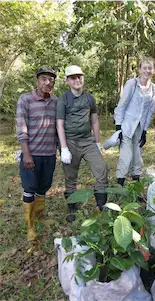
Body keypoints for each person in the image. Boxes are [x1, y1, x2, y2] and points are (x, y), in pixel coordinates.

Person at [56, 65, 108, 222]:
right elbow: (59, 124)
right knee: (71, 176)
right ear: (67, 81)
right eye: (73, 77)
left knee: (102, 169)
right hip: (70, 142)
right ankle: (72, 207)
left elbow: (94, 120)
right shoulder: (63, 99)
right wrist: (64, 148)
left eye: (79, 76)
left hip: (88, 141)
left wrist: (97, 143)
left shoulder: (89, 98)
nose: (77, 80)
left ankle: (101, 205)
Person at [16, 67, 57, 241]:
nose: (48, 83)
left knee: (43, 188)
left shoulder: (56, 102)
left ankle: (40, 218)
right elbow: (21, 128)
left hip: (49, 154)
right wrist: (26, 154)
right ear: (37, 81)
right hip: (32, 154)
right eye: (44, 79)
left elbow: (58, 127)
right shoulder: (25, 100)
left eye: (51, 80)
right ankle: (30, 226)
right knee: (29, 189)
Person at [114, 57, 155, 186]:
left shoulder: (154, 89)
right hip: (126, 125)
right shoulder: (132, 84)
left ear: (153, 70)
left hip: (140, 127)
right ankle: (119, 185)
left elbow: (150, 111)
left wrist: (144, 131)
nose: (147, 70)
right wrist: (118, 128)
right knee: (126, 157)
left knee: (137, 156)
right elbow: (121, 105)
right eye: (144, 68)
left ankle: (136, 185)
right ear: (139, 69)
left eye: (150, 68)